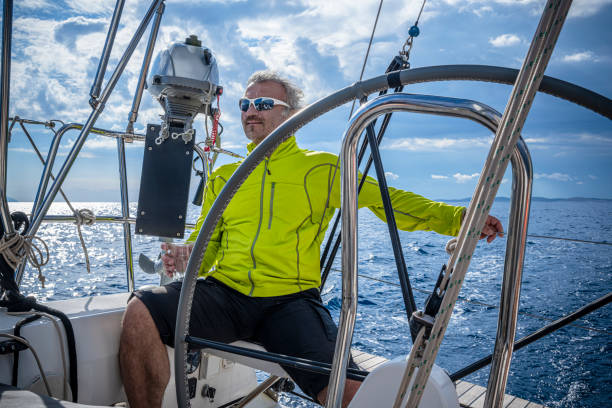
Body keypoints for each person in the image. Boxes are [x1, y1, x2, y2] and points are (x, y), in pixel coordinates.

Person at [119, 71, 504, 408]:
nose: (251, 110)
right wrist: (189, 256)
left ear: (290, 114)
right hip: (227, 293)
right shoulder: (226, 174)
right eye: (245, 103)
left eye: (263, 103)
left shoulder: (319, 169)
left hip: (288, 302)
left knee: (346, 391)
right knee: (140, 311)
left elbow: (390, 203)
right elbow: (211, 247)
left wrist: (460, 219)